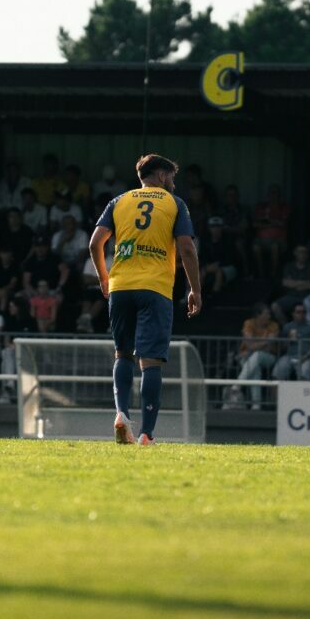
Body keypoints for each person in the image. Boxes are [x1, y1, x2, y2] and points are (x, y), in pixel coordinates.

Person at [89, 154, 201, 442]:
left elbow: (95, 242)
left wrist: (104, 277)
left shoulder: (119, 201)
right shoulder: (174, 204)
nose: (173, 183)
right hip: (155, 288)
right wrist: (195, 289)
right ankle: (146, 434)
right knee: (150, 361)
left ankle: (121, 414)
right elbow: (187, 248)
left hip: (121, 286)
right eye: (171, 178)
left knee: (122, 353)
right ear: (161, 176)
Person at [234, 303, 279, 409]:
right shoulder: (249, 323)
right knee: (255, 369)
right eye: (267, 314)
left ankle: (236, 385)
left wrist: (254, 346)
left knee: (257, 355)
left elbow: (268, 347)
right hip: (246, 356)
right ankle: (256, 405)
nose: (269, 316)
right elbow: (249, 345)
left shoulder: (273, 325)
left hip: (269, 357)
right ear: (259, 315)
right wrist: (265, 341)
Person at [271, 245, 310, 323]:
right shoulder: (288, 266)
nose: (303, 254)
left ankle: (307, 328)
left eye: (305, 252)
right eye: (300, 252)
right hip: (291, 296)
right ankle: (287, 327)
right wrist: (304, 283)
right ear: (295, 253)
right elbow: (285, 283)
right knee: (275, 306)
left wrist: (295, 283)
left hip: (307, 297)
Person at [272, 303, 310, 382]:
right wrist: (288, 339)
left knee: (304, 373)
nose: (301, 314)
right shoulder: (287, 327)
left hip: (306, 357)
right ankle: (274, 395)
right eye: (298, 312)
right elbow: (283, 348)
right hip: (289, 356)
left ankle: (302, 394)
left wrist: (304, 357)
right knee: (276, 374)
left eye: (304, 312)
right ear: (293, 314)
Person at [251, 184, 290, 278]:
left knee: (274, 247)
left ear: (279, 195)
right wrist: (273, 222)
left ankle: (274, 274)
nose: (273, 195)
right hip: (261, 240)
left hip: (278, 240)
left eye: (275, 192)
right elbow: (255, 224)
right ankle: (261, 274)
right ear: (267, 195)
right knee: (255, 247)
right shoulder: (261, 207)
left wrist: (266, 222)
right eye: (271, 193)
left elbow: (283, 223)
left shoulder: (283, 207)